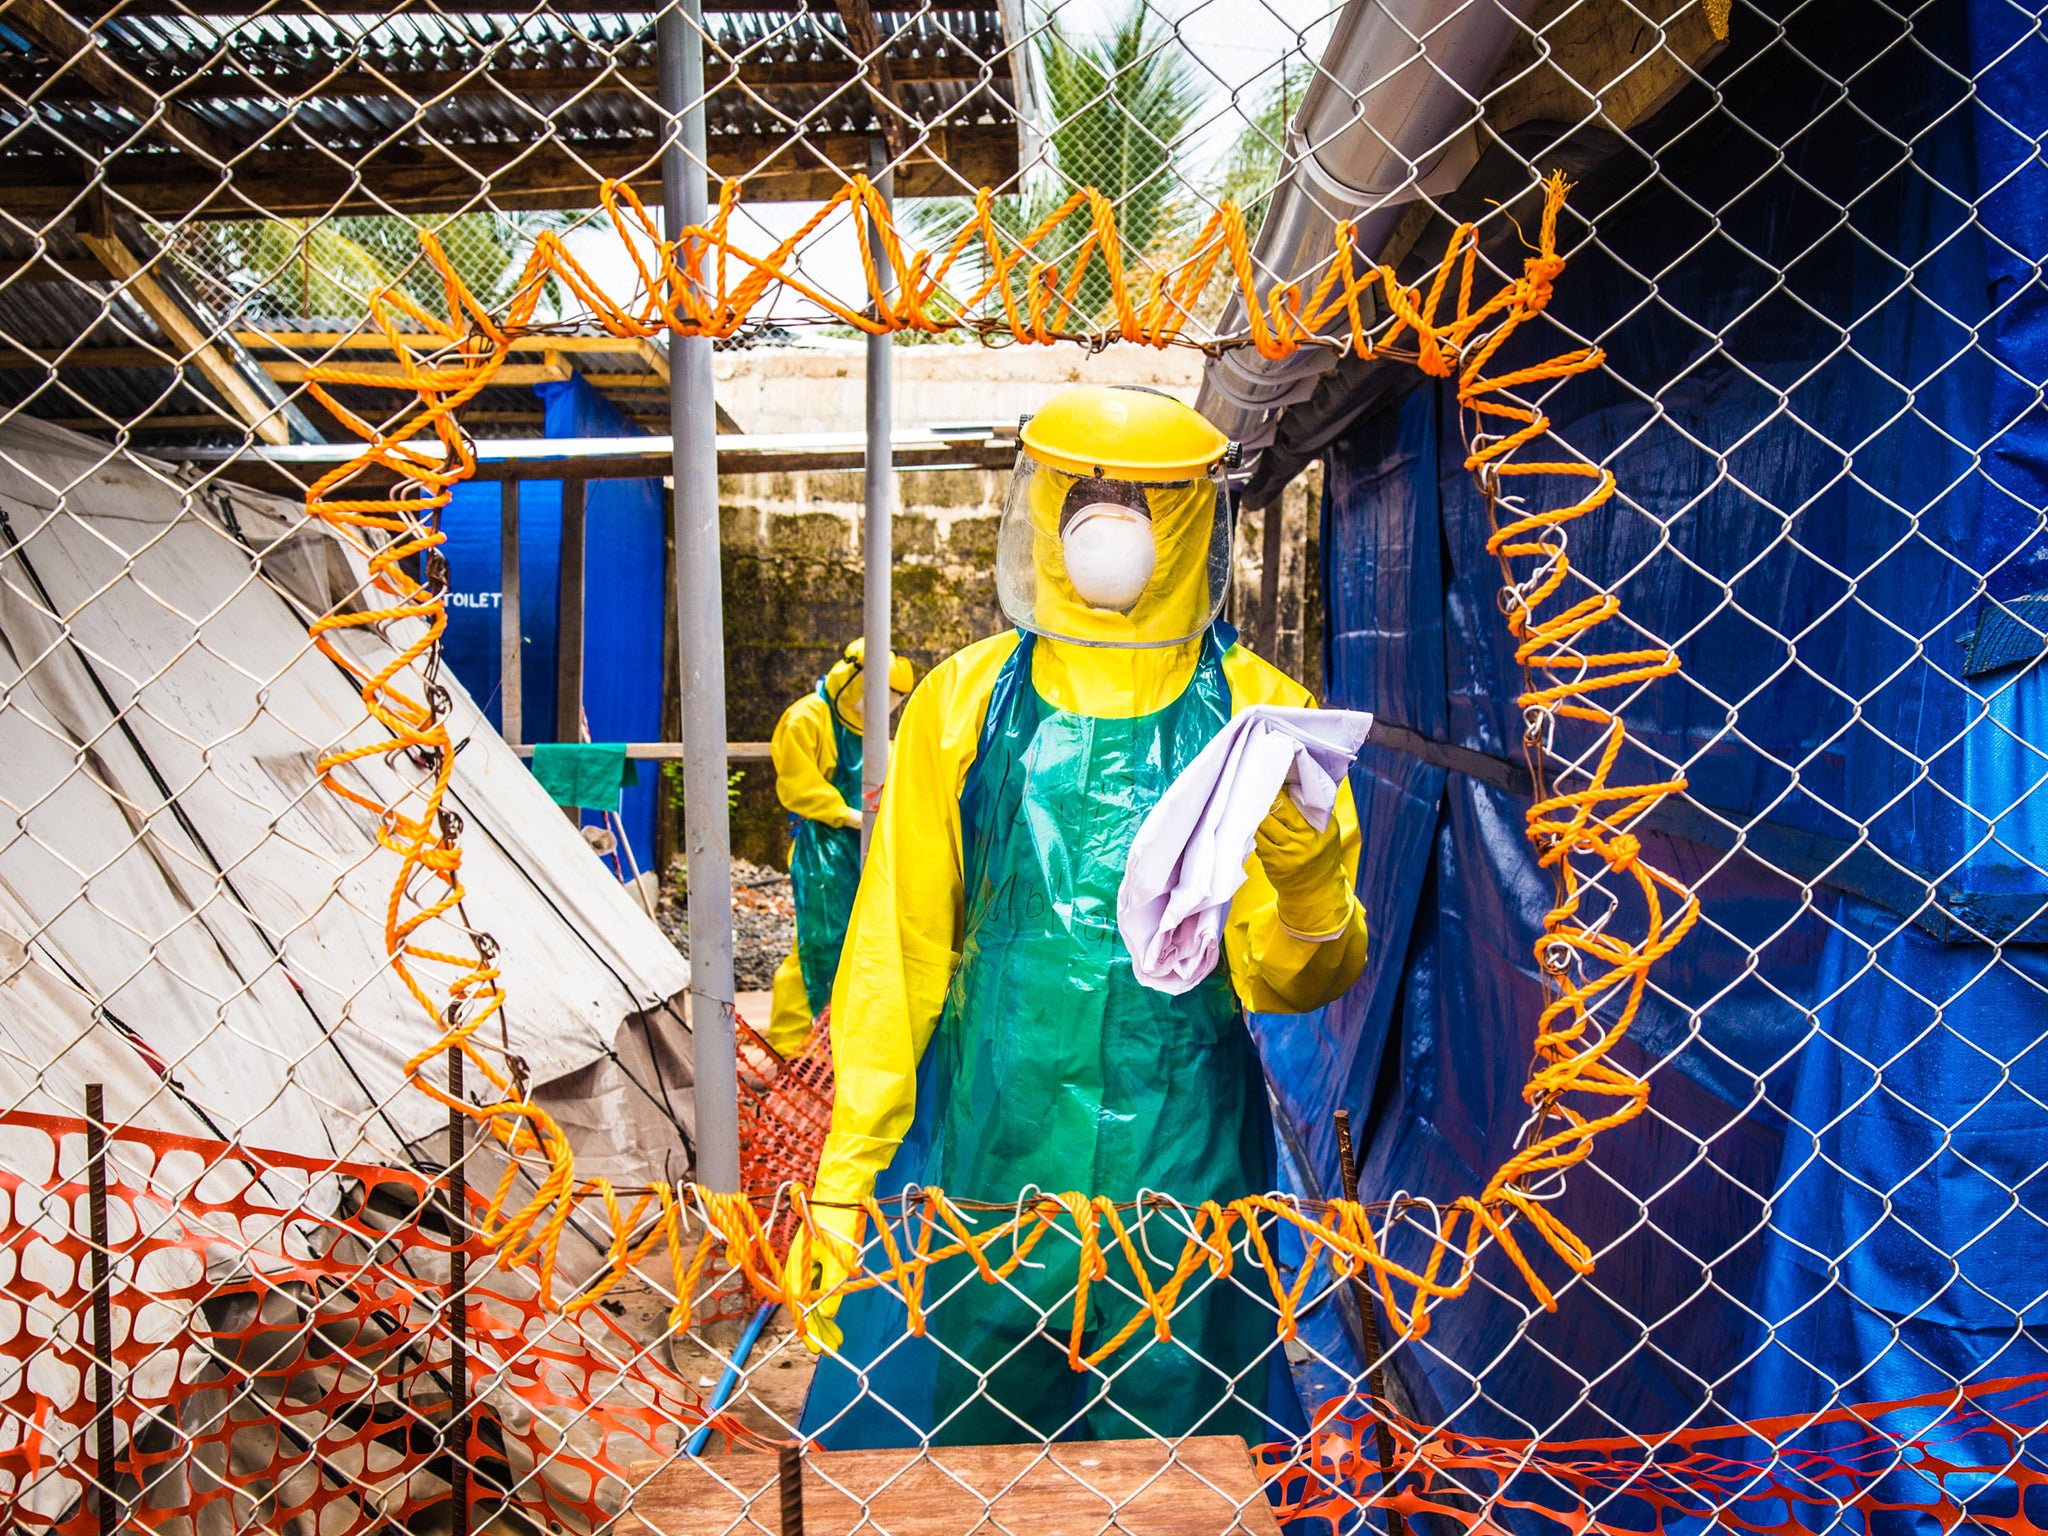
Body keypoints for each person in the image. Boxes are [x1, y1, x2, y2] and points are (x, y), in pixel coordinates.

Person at [789, 385, 1370, 1449]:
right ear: (1041, 507)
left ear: (1194, 515)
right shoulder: (963, 703)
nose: (1110, 523)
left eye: (1143, 498)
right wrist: (846, 1174)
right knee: (970, 1439)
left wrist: (1306, 886)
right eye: (1086, 493)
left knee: (1178, 1446)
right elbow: (897, 954)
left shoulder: (1259, 719)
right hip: (989, 1152)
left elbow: (1298, 983)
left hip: (1180, 1155)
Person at [765, 637, 914, 1058]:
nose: (882, 709)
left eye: (892, 702)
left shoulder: (871, 732)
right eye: (879, 697)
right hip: (822, 849)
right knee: (817, 945)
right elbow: (797, 785)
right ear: (852, 677)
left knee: (859, 945)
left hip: (863, 848)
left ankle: (840, 1047)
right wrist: (848, 815)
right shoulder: (806, 718)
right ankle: (789, 1048)